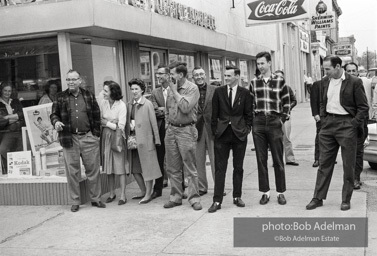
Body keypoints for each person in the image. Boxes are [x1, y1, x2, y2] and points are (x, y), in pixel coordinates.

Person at [306, 55, 369, 211]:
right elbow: (322, 102)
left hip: (347, 125)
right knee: (324, 163)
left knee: (348, 165)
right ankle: (318, 197)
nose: (325, 72)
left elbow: (363, 107)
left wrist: (353, 124)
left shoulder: (354, 82)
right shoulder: (324, 82)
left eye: (328, 69)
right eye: (324, 69)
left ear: (338, 67)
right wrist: (323, 120)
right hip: (328, 125)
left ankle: (346, 199)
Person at [50, 69, 105, 212]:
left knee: (93, 170)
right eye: (68, 80)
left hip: (88, 137)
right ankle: (75, 201)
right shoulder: (60, 97)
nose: (71, 82)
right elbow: (54, 114)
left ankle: (96, 198)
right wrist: (56, 122)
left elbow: (96, 115)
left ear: (80, 81)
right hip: (69, 138)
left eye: (73, 79)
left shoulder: (88, 95)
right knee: (72, 172)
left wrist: (95, 135)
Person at [208, 66, 253, 213]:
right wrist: (215, 131)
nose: (226, 78)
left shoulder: (245, 93)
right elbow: (214, 114)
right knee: (220, 168)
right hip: (222, 134)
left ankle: (237, 196)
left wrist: (246, 129)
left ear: (237, 77)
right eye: (225, 75)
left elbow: (249, 114)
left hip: (239, 134)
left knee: (238, 167)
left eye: (229, 76)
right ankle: (217, 200)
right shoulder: (218, 91)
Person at [250, 51, 290, 206]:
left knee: (278, 159)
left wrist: (282, 118)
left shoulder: (280, 80)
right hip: (259, 121)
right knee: (261, 159)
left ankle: (280, 192)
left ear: (269, 63)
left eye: (262, 63)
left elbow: (286, 101)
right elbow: (251, 102)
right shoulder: (254, 82)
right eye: (258, 64)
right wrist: (253, 119)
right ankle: (265, 192)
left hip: (274, 120)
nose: (260, 66)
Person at [163, 62, 202, 211]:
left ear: (180, 75)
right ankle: (176, 197)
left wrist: (174, 91)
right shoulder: (171, 88)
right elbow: (168, 109)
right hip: (172, 130)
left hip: (186, 130)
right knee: (172, 167)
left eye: (172, 74)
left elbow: (185, 108)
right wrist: (168, 124)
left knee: (190, 167)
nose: (170, 76)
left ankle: (194, 198)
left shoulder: (192, 88)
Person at [126, 78, 161, 204]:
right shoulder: (129, 104)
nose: (134, 91)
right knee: (135, 168)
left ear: (142, 90)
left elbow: (153, 123)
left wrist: (156, 140)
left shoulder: (147, 104)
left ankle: (148, 193)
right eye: (132, 89)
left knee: (148, 168)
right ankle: (143, 190)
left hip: (146, 140)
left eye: (136, 89)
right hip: (133, 141)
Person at [99, 81, 128, 205]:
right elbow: (99, 119)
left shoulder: (121, 105)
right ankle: (111, 193)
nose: (103, 93)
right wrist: (111, 123)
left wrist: (106, 122)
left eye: (106, 91)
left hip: (117, 138)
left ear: (113, 92)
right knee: (108, 166)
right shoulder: (103, 103)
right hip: (105, 136)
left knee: (120, 166)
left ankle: (123, 195)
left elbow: (120, 126)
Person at [344, 62, 369, 190]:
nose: (352, 73)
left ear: (357, 72)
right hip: (346, 125)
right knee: (349, 154)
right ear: (345, 72)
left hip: (360, 124)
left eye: (354, 71)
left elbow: (365, 106)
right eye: (349, 71)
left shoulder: (361, 83)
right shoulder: (342, 86)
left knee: (359, 153)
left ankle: (356, 178)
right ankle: (350, 177)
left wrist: (363, 125)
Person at [192, 66, 216, 196]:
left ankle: (219, 186)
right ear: (193, 78)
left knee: (215, 159)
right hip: (196, 129)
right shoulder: (190, 91)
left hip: (212, 128)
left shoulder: (215, 90)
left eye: (201, 74)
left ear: (205, 75)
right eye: (196, 75)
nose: (199, 77)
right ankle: (202, 187)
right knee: (198, 159)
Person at [149, 65, 170, 199]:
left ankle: (180, 187)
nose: (158, 76)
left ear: (168, 75)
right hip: (161, 128)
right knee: (159, 158)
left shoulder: (175, 90)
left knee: (176, 158)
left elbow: (179, 108)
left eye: (161, 74)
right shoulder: (154, 92)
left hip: (174, 127)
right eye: (157, 74)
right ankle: (157, 189)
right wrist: (168, 109)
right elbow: (155, 110)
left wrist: (165, 109)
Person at [275, 70, 298, 166]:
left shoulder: (287, 88)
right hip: (275, 116)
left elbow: (294, 100)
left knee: (286, 138)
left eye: (281, 77)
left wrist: (288, 108)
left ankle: (290, 159)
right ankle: (277, 160)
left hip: (286, 116)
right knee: (276, 139)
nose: (279, 78)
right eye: (277, 76)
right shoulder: (271, 89)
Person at [0, 82, 24, 174]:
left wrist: (8, 117)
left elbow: (23, 115)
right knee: (2, 149)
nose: (7, 93)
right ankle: (15, 164)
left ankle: (20, 167)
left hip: (20, 131)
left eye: (9, 91)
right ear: (1, 91)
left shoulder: (15, 101)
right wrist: (15, 117)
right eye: (5, 90)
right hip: (6, 132)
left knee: (23, 150)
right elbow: (1, 122)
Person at [310, 79, 322, 168]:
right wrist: (315, 114)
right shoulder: (318, 84)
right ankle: (317, 159)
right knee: (319, 137)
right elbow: (313, 100)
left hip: (334, 116)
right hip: (321, 117)